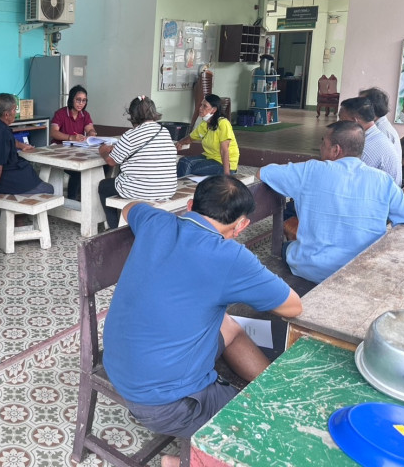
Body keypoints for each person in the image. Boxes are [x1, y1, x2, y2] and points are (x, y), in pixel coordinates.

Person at [102, 176, 302, 464]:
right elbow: (293, 307)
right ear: (242, 225)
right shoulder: (230, 257)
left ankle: (271, 389)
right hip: (168, 405)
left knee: (227, 324)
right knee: (269, 435)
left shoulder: (156, 221)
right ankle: (178, 463)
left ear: (190, 206)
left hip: (120, 368)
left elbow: (130, 207)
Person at [258, 121, 404, 284]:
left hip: (312, 268)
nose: (320, 147)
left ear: (336, 150)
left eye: (323, 142)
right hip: (361, 270)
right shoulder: (383, 180)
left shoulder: (310, 170)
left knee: (287, 248)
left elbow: (263, 173)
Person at [98, 95, 177, 229]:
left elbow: (111, 162)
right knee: (124, 175)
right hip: (167, 189)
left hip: (141, 190)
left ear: (133, 115)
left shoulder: (130, 135)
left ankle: (113, 228)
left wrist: (103, 151)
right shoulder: (164, 131)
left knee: (104, 186)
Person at [0, 93, 53, 209]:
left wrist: (22, 145)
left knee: (33, 176)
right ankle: (22, 214)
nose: (15, 113)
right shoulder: (2, 132)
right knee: (49, 189)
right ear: (6, 114)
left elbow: (9, 141)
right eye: (14, 110)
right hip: (5, 179)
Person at [338, 96, 401, 185]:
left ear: (354, 121)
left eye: (341, 119)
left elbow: (350, 182)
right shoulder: (376, 135)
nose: (339, 123)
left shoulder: (365, 149)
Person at [175, 94, 239, 177]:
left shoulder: (223, 123)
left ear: (214, 110)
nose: (200, 108)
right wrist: (179, 143)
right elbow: (190, 138)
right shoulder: (204, 123)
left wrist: (227, 175)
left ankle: (181, 184)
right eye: (201, 105)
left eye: (204, 106)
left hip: (224, 164)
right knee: (183, 161)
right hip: (209, 157)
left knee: (189, 167)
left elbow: (224, 150)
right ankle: (178, 184)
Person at [51, 86, 97, 200]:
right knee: (77, 172)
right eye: (78, 100)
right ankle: (72, 199)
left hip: (75, 150)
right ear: (72, 99)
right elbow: (53, 132)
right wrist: (70, 137)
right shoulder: (61, 113)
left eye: (84, 100)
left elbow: (90, 129)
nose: (81, 103)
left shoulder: (85, 115)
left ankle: (82, 198)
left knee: (94, 167)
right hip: (59, 150)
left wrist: (91, 133)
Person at [359, 87, 402, 160]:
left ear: (372, 107)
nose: (357, 108)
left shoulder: (382, 131)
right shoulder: (376, 126)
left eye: (360, 104)